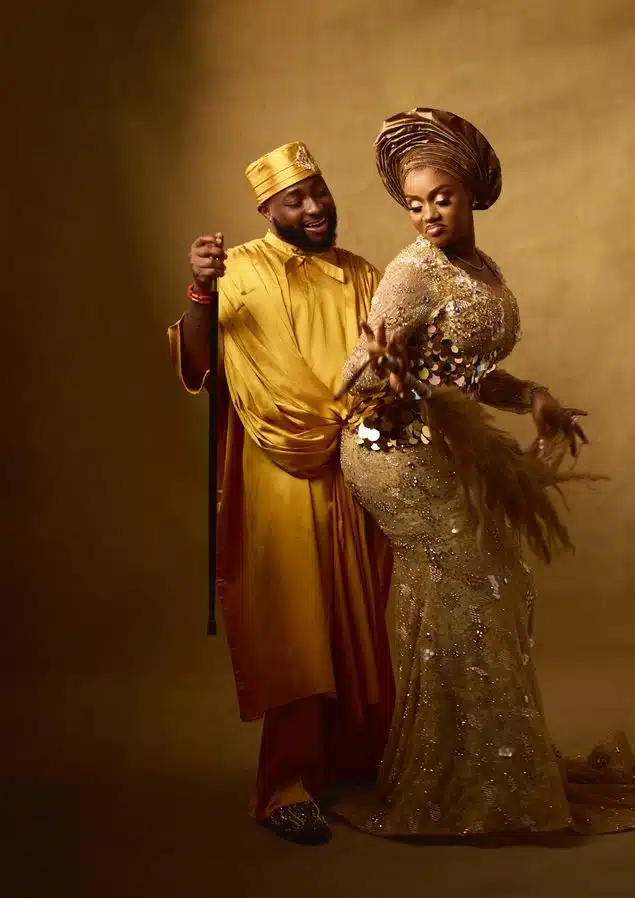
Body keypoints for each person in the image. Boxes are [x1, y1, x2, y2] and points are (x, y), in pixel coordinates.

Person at [331, 107, 635, 837]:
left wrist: (534, 397)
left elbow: (466, 374)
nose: (427, 215)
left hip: (439, 444)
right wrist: (383, 368)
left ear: (471, 193)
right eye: (414, 204)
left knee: (496, 585)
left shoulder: (478, 268)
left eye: (441, 198)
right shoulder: (411, 273)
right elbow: (354, 377)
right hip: (391, 453)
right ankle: (453, 784)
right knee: (470, 586)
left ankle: (486, 771)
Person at [167, 141, 395, 845]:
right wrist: (200, 293)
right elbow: (199, 362)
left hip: (357, 468)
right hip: (277, 475)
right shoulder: (237, 271)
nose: (315, 207)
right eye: (295, 200)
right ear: (267, 210)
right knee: (296, 626)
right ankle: (285, 789)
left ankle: (356, 764)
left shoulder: (364, 274)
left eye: (319, 191)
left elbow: (392, 367)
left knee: (360, 620)